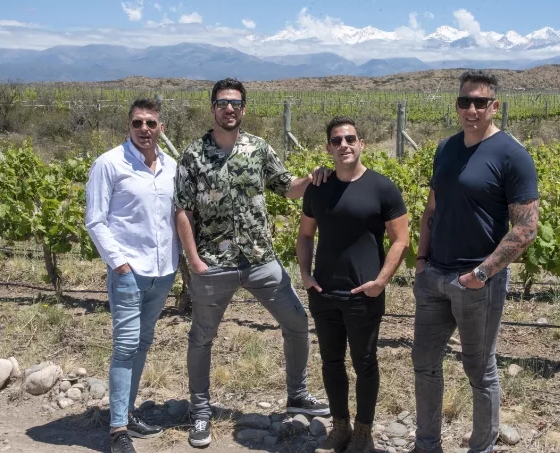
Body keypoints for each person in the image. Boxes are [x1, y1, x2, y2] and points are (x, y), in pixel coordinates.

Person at [174, 77, 332, 448]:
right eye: (222, 103)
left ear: (243, 109)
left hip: (261, 260)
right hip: (214, 263)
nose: (229, 108)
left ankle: (298, 395)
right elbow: (182, 210)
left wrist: (313, 178)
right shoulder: (193, 154)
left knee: (297, 321)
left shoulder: (258, 148)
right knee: (202, 337)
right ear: (212, 108)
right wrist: (194, 261)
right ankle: (201, 411)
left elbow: (287, 188)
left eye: (235, 103)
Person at [410, 71, 539, 453]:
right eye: (464, 101)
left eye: (480, 102)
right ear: (457, 105)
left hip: (477, 282)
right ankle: (427, 445)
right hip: (434, 275)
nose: (471, 109)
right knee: (424, 364)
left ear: (494, 106)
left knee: (480, 370)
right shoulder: (446, 148)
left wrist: (481, 274)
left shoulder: (512, 155)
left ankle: (481, 447)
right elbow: (432, 209)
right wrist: (421, 260)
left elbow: (526, 228)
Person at [297, 117, 409, 453]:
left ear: (362, 144)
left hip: (364, 295)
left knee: (365, 363)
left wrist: (381, 281)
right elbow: (305, 234)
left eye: (350, 139)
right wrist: (305, 274)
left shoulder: (382, 188)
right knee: (331, 362)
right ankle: (340, 426)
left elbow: (401, 240)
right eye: (337, 140)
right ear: (328, 147)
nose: (344, 145)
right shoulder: (318, 188)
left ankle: (363, 431)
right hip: (324, 293)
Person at [85, 98, 181, 453]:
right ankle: (117, 431)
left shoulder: (171, 167)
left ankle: (126, 412)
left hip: (163, 271)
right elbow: (95, 220)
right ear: (129, 126)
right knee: (125, 346)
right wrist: (119, 264)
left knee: (142, 343)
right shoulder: (109, 163)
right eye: (138, 123)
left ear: (161, 128)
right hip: (128, 272)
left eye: (151, 123)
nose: (144, 129)